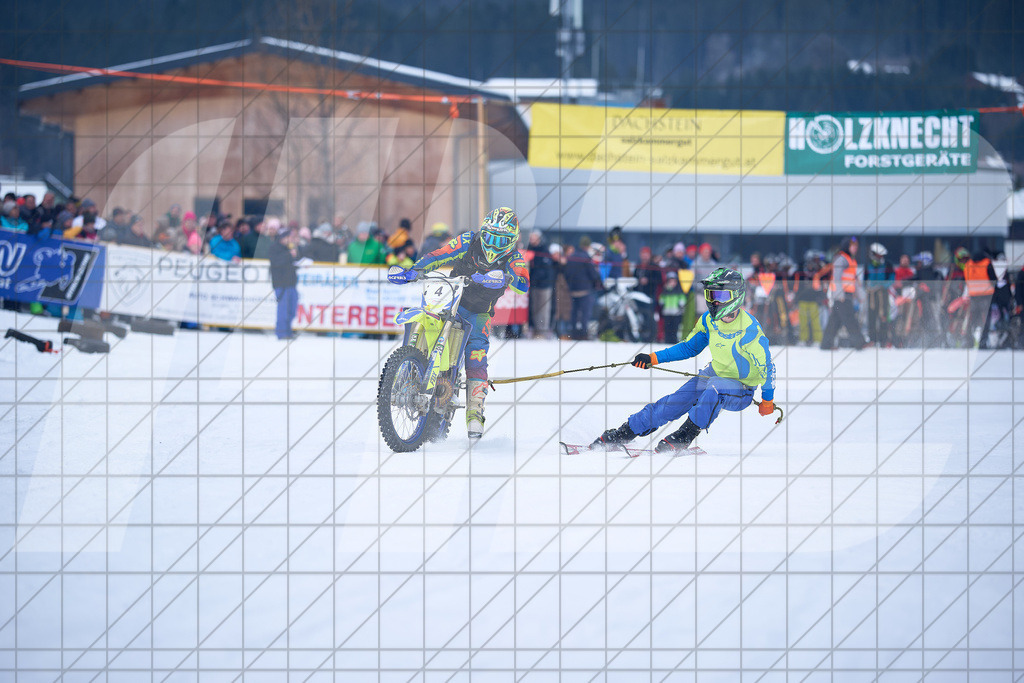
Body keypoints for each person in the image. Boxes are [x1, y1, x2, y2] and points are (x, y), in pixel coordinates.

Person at [589, 268, 776, 453]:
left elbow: (768, 367)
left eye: (720, 295)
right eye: (711, 295)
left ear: (736, 296)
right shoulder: (709, 320)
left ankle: (685, 435)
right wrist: (653, 358)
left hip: (741, 388)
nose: (714, 301)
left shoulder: (750, 330)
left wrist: (767, 400)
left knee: (715, 388)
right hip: (713, 375)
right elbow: (689, 347)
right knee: (672, 404)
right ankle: (626, 432)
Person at [388, 207, 529, 440]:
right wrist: (414, 271)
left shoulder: (514, 258)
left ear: (511, 241)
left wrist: (507, 277)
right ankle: (407, 374)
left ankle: (475, 411)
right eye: (490, 237)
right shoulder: (468, 241)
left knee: (476, 354)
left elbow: (523, 282)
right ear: (483, 233)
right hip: (449, 299)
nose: (493, 245)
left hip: (479, 312)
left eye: (500, 240)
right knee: (423, 320)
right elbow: (439, 255)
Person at [819, 237, 868, 350]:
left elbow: (854, 280)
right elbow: (836, 277)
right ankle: (860, 343)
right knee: (850, 319)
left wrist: (860, 295)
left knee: (834, 321)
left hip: (847, 294)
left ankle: (826, 344)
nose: (855, 248)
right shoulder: (842, 259)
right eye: (852, 246)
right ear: (847, 246)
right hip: (842, 296)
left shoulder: (851, 260)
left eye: (856, 246)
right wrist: (839, 294)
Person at [564, 236, 602, 340]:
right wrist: (597, 281)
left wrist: (570, 285)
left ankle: (573, 333)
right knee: (585, 313)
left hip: (573, 290)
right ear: (587, 246)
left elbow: (566, 274)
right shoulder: (586, 257)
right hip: (585, 290)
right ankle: (584, 334)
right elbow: (593, 274)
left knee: (574, 313)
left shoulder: (571, 257)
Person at [268, 226, 303, 340]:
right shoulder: (274, 248)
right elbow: (276, 263)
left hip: (291, 283)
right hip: (281, 284)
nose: (290, 239)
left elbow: (293, 262)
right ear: (282, 237)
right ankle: (281, 333)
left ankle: (288, 331)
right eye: (289, 237)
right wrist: (289, 255)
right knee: (283, 310)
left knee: (292, 310)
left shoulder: (290, 248)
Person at [963, 250, 997, 349]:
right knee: (985, 321)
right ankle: (983, 342)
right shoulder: (987, 263)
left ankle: (969, 341)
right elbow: (993, 279)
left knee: (973, 320)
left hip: (973, 297)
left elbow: (966, 280)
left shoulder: (968, 265)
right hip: (986, 296)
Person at [526, 230, 556, 338]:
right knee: (534, 308)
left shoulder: (544, 250)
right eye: (531, 238)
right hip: (533, 284)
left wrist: (536, 276)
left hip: (544, 285)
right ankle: (534, 329)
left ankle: (542, 330)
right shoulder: (529, 249)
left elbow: (546, 269)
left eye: (533, 238)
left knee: (544, 308)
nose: (531, 240)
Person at [864, 243, 895, 347]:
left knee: (883, 316)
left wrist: (883, 285)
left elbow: (892, 278)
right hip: (872, 295)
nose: (879, 257)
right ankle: (872, 339)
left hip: (883, 294)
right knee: (871, 317)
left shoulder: (888, 264)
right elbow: (865, 280)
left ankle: (883, 340)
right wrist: (868, 287)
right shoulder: (868, 265)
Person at [658, 271, 685, 343]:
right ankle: (667, 339)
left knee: (675, 327)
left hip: (676, 312)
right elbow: (661, 300)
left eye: (674, 281)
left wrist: (681, 305)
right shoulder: (665, 290)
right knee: (667, 327)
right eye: (670, 281)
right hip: (667, 312)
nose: (672, 283)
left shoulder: (679, 290)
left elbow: (682, 299)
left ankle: (674, 340)